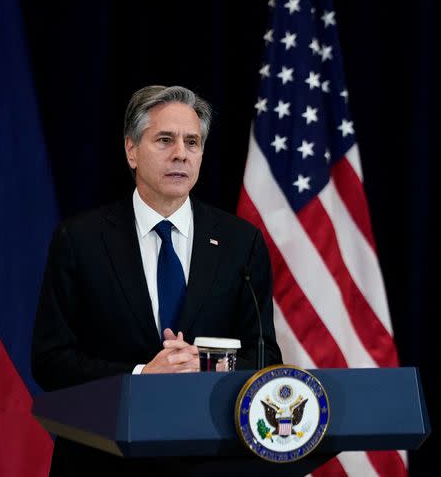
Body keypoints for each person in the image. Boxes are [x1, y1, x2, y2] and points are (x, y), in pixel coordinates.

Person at [31, 85, 281, 474]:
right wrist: (142, 376)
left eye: (192, 142)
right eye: (165, 139)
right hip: (104, 460)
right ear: (131, 150)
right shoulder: (80, 240)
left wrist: (207, 364)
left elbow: (265, 358)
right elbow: (50, 361)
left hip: (211, 460)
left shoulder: (240, 243)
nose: (181, 152)